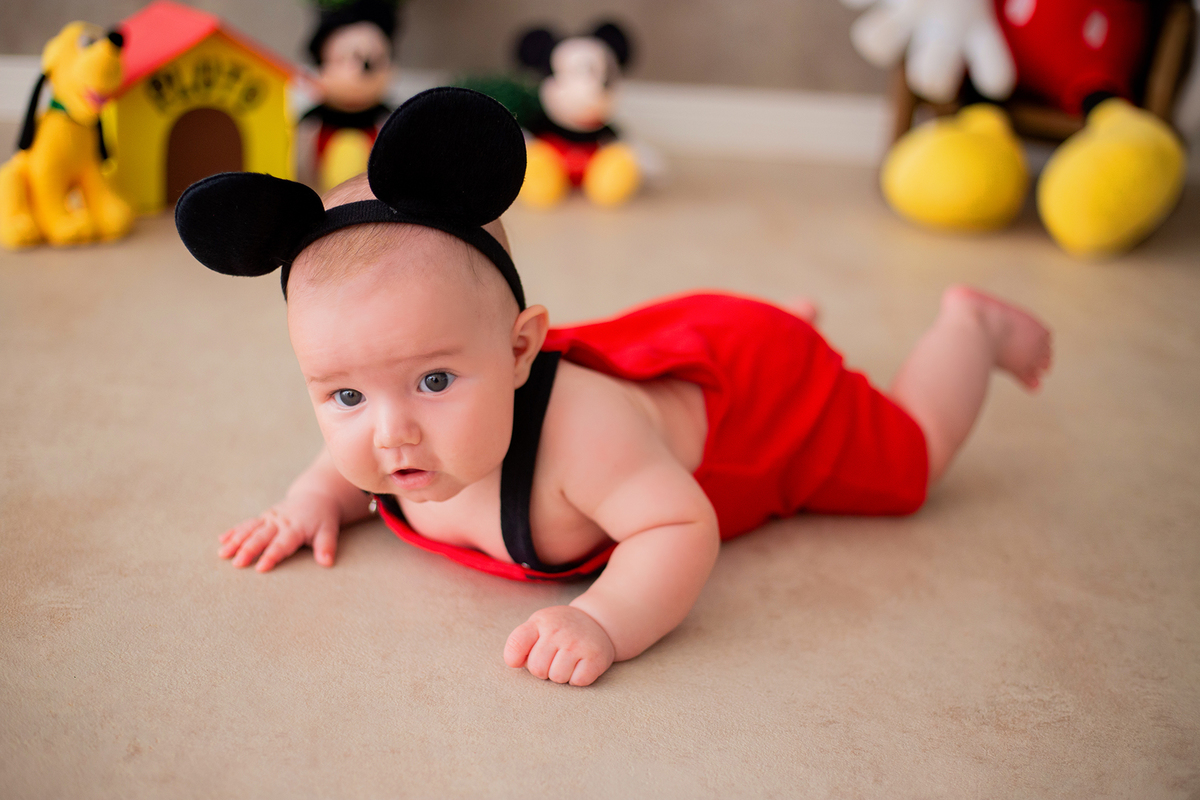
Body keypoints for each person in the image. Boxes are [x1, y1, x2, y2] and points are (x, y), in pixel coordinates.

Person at [176, 88, 1052, 687]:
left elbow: (681, 523)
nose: (390, 435)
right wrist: (309, 499)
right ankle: (784, 317)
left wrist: (606, 618)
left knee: (911, 464)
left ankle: (967, 328)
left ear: (522, 351)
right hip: (676, 359)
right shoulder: (401, 439)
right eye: (344, 398)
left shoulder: (581, 447)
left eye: (434, 379)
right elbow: (353, 455)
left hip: (761, 401)